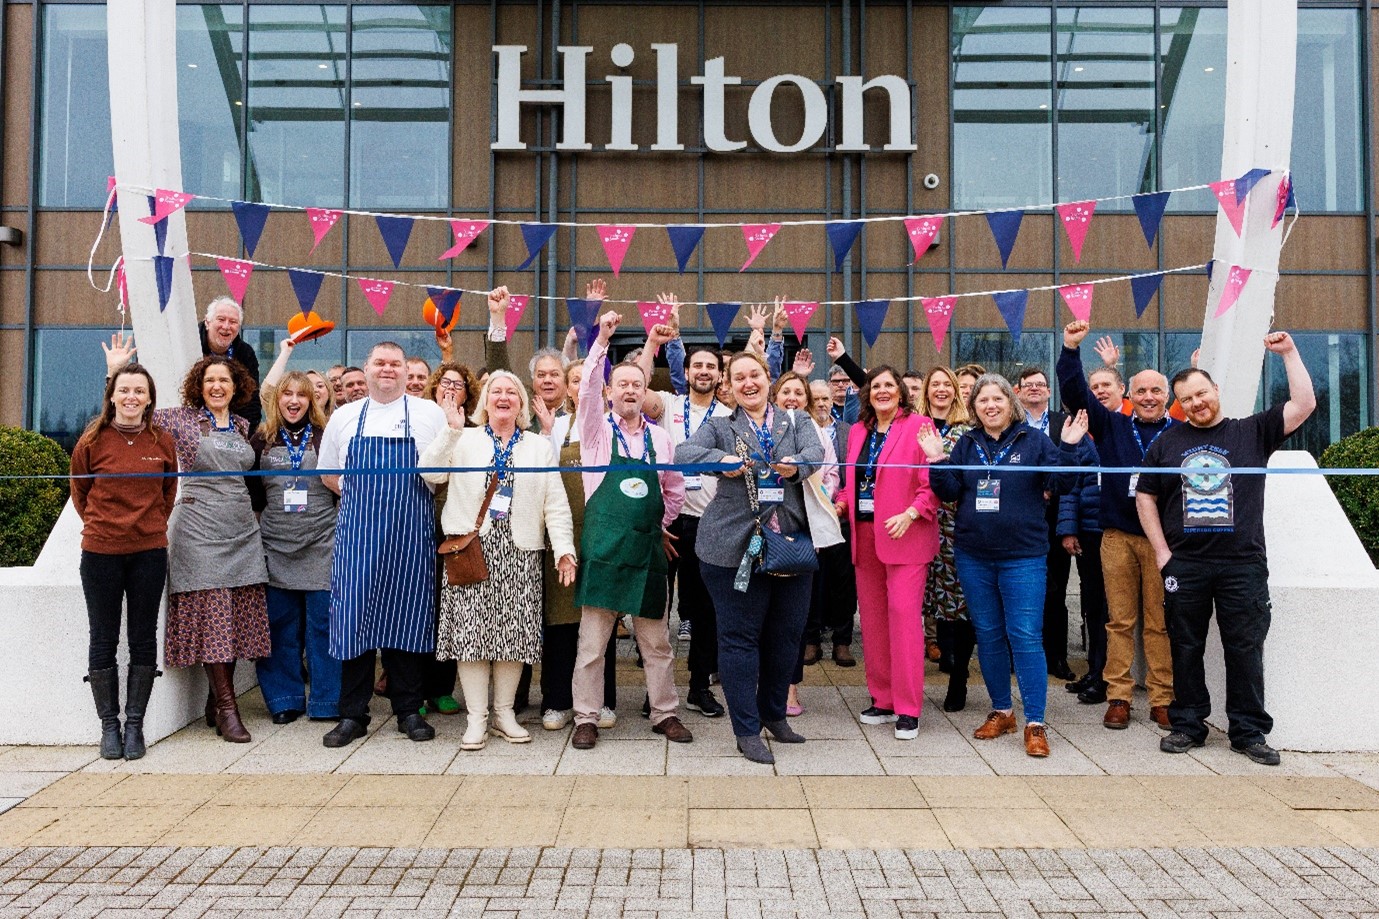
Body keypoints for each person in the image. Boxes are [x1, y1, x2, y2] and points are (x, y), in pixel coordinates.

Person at [1137, 332, 1315, 766]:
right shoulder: (1166, 443)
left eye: (1202, 393)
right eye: (1187, 399)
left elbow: (1304, 404)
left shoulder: (1252, 431)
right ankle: (1188, 724)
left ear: (1215, 390)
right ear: (1179, 405)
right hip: (1187, 563)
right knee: (1185, 645)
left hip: (1243, 564)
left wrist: (1289, 353)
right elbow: (1145, 497)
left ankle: (1248, 731)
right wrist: (1162, 553)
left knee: (1245, 645)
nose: (1197, 403)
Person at [99, 339, 272, 745]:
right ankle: (229, 711)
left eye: (223, 380)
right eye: (209, 380)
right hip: (198, 528)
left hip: (242, 529)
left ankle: (215, 701)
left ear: (235, 386)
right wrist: (115, 374)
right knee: (212, 614)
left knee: (233, 615)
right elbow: (125, 416)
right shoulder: (178, 420)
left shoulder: (244, 426)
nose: (216, 386)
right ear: (199, 385)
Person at [923, 374, 1087, 757]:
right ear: (975, 408)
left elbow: (1063, 483)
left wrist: (1069, 447)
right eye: (983, 401)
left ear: (1010, 403)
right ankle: (1002, 711)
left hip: (1024, 557)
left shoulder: (1035, 441)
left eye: (997, 398)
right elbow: (947, 492)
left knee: (1025, 635)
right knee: (989, 634)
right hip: (973, 555)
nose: (990, 405)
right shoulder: (966, 443)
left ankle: (1035, 722)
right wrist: (937, 459)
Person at [676, 351, 823, 764]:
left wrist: (796, 465)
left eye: (754, 374)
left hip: (790, 546)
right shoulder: (720, 426)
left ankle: (774, 715)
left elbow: (816, 454)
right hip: (730, 549)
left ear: (768, 376)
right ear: (729, 385)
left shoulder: (796, 421)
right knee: (739, 641)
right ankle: (746, 730)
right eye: (738, 377)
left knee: (786, 637)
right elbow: (683, 452)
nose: (748, 383)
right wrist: (719, 461)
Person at [420, 370, 576, 750]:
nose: (503, 397)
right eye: (496, 391)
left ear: (521, 404)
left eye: (512, 392)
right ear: (485, 401)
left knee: (513, 636)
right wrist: (451, 431)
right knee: (472, 635)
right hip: (471, 549)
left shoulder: (539, 446)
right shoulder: (464, 438)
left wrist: (564, 549)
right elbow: (430, 472)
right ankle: (476, 719)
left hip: (520, 550)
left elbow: (554, 501)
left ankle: (504, 714)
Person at [569, 310, 692, 749]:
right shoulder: (595, 432)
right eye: (621, 384)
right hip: (603, 552)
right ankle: (586, 717)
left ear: (645, 392)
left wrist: (656, 525)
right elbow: (585, 391)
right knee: (591, 648)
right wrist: (602, 340)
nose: (629, 390)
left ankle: (665, 714)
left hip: (645, 556)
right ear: (609, 390)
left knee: (656, 645)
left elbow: (673, 490)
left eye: (636, 384)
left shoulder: (661, 439)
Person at [318, 342, 448, 747]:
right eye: (380, 363)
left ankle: (408, 711)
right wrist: (362, 500)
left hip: (411, 539)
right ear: (367, 369)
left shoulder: (428, 414)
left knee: (407, 623)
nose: (387, 370)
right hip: (358, 539)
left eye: (395, 364)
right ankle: (352, 715)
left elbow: (441, 473)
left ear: (408, 373)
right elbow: (328, 475)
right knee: (353, 624)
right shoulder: (344, 416)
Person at [1058, 320, 1175, 724]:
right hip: (1117, 537)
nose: (1147, 397)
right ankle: (1119, 697)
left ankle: (1162, 698)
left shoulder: (1179, 434)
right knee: (1119, 620)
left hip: (1162, 542)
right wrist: (1071, 350)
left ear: (1166, 396)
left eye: (1155, 390)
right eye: (1141, 390)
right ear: (1129, 394)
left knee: (1159, 623)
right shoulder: (1112, 425)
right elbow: (1074, 393)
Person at [72, 351, 177, 760]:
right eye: (124, 390)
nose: (131, 397)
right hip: (100, 553)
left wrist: (147, 526)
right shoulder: (92, 440)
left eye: (139, 391)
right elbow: (81, 494)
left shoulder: (161, 441)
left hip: (149, 552)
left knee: (142, 638)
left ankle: (135, 726)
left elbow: (168, 494)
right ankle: (109, 727)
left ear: (150, 399)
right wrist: (107, 527)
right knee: (102, 638)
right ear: (112, 396)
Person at [835, 366, 940, 740]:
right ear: (867, 393)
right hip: (865, 536)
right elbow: (852, 480)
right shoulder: (859, 431)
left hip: (906, 537)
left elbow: (933, 485)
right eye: (875, 385)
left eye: (888, 385)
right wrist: (841, 504)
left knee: (904, 620)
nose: (882, 391)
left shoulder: (920, 426)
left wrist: (912, 513)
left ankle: (909, 708)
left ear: (901, 392)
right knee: (875, 623)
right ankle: (883, 698)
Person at [647, 334, 733, 719]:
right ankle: (657, 692)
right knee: (657, 610)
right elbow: (634, 387)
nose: (703, 371)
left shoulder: (729, 416)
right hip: (664, 520)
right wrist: (652, 345)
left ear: (719, 375)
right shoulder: (667, 404)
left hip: (708, 522)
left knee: (705, 611)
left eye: (710, 367)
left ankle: (700, 686)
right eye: (696, 365)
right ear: (685, 371)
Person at [248, 371, 341, 725]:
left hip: (322, 544)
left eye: (301, 395)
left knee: (323, 626)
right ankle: (284, 699)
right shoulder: (261, 439)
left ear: (312, 400)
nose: (294, 400)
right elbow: (253, 495)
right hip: (276, 545)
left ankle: (326, 701)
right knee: (279, 625)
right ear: (277, 399)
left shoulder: (326, 436)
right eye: (286, 393)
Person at [769, 372, 833, 718]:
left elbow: (833, 476)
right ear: (774, 397)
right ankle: (763, 685)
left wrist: (826, 500)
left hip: (802, 534)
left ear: (807, 400)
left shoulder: (817, 434)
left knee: (792, 620)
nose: (792, 397)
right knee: (761, 617)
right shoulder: (761, 429)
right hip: (760, 533)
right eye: (786, 392)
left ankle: (789, 688)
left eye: (799, 392)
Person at [915, 365, 977, 711]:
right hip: (917, 523)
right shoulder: (911, 428)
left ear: (956, 391)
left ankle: (959, 677)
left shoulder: (966, 432)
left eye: (946, 385)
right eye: (934, 383)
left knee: (959, 602)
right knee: (927, 599)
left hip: (955, 526)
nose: (940, 389)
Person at [1016, 366, 1076, 682]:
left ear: (1049, 392)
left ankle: (1057, 657)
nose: (1035, 389)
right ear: (1018, 391)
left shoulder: (1062, 423)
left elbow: (1072, 471)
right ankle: (1020, 656)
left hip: (1055, 520)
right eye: (1029, 385)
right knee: (1018, 591)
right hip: (1020, 518)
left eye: (1041, 385)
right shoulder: (1011, 424)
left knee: (1056, 592)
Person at [802, 380, 857, 669]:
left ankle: (842, 641)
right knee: (812, 581)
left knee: (843, 582)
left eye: (826, 398)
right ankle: (811, 639)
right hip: (810, 518)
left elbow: (851, 476)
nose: (822, 403)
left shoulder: (848, 432)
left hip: (842, 515)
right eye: (816, 398)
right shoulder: (803, 430)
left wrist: (840, 505)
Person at [200, 296, 263, 428]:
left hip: (232, 427)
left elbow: (251, 399)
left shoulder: (245, 353)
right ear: (207, 322)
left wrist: (243, 434)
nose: (226, 326)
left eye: (233, 322)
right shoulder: (190, 343)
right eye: (221, 319)